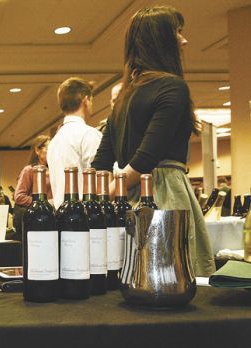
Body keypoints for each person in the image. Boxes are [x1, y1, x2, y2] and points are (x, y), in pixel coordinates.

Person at [91, 6, 215, 276]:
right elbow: (145, 159)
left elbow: (100, 164)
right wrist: (115, 192)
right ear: (161, 40)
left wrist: (104, 201)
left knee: (134, 279)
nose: (184, 40)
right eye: (177, 32)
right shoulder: (173, 86)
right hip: (164, 198)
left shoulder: (124, 96)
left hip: (129, 203)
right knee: (173, 279)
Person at [46, 77, 103, 208]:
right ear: (86, 100)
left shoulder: (54, 142)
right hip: (86, 216)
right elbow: (100, 180)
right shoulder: (89, 134)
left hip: (61, 215)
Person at [13, 135, 52, 235]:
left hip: (49, 217)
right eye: (49, 148)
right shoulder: (29, 170)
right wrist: (43, 203)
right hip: (34, 219)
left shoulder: (54, 171)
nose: (52, 152)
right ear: (37, 150)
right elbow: (19, 197)